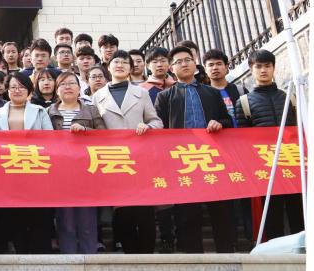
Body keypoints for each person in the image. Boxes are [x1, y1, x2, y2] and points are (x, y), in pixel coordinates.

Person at [155, 45, 235, 253]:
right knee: (187, 216)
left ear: (195, 64)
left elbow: (228, 120)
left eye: (187, 60)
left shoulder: (211, 93)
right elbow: (159, 131)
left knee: (221, 212)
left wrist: (220, 123)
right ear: (171, 68)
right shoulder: (164, 97)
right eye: (178, 61)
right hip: (183, 163)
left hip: (212, 160)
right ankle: (194, 259)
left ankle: (227, 256)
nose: (184, 64)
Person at [91, 49, 162, 254]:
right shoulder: (97, 96)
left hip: (141, 159)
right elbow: (95, 128)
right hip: (114, 161)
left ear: (131, 68)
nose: (120, 65)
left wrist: (148, 127)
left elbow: (156, 121)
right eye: (116, 61)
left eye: (124, 62)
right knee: (122, 213)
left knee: (145, 211)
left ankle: (147, 256)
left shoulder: (142, 93)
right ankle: (130, 256)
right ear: (108, 66)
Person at [234, 49, 302, 239]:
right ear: (251, 69)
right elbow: (243, 140)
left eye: (267, 66)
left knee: (299, 212)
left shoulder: (290, 97)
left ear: (273, 67)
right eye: (258, 66)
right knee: (272, 215)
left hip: (292, 163)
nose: (263, 70)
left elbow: (299, 129)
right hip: (265, 167)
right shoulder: (244, 102)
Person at [0, 72, 52, 254]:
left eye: (21, 87)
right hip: (10, 170)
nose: (17, 90)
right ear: (7, 90)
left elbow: (51, 140)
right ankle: (20, 253)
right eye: (13, 87)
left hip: (36, 168)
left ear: (29, 90)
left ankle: (40, 255)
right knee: (15, 215)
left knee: (38, 215)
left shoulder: (40, 111)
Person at [47, 72, 105, 255]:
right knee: (65, 220)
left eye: (72, 83)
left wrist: (85, 130)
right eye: (63, 84)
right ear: (57, 90)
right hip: (59, 172)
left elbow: (104, 136)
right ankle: (68, 258)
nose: (68, 87)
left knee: (87, 219)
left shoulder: (91, 110)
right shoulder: (49, 111)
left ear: (80, 88)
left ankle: (90, 257)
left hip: (86, 170)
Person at [203, 48, 245, 126]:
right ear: (205, 69)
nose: (215, 68)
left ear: (226, 67)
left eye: (219, 64)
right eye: (211, 65)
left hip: (244, 133)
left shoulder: (240, 90)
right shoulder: (203, 94)